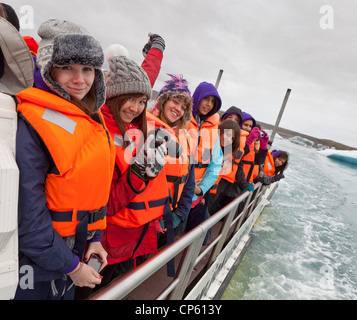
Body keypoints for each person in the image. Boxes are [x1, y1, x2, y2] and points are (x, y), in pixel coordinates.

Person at [14, 19, 116, 300]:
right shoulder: (33, 123)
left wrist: (95, 239)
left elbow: (89, 191)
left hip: (72, 255)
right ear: (49, 70)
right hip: (36, 267)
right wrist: (71, 267)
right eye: (67, 68)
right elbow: (29, 220)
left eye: (87, 70)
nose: (79, 80)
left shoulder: (88, 119)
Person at [99, 44, 169, 288]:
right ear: (113, 95)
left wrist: (158, 50)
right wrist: (139, 174)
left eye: (141, 101)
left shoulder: (135, 127)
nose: (136, 107)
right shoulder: (100, 132)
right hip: (111, 240)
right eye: (129, 99)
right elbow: (105, 205)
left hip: (137, 233)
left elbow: (145, 76)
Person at [150, 74, 195, 237]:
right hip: (141, 220)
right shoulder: (141, 128)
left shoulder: (185, 139)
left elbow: (189, 181)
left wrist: (179, 214)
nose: (178, 109)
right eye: (175, 102)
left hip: (168, 218)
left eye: (183, 107)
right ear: (163, 101)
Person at [185, 82, 223, 231]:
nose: (209, 104)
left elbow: (216, 165)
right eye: (206, 99)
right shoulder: (182, 120)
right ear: (197, 97)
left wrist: (201, 189)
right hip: (173, 190)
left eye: (213, 102)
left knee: (177, 233)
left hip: (193, 194)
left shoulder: (213, 131)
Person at [240, 112, 269, 184]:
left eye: (250, 126)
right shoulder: (232, 137)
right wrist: (248, 141)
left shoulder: (251, 144)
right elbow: (235, 158)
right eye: (245, 125)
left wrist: (263, 147)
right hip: (228, 184)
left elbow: (259, 161)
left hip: (241, 184)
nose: (248, 128)